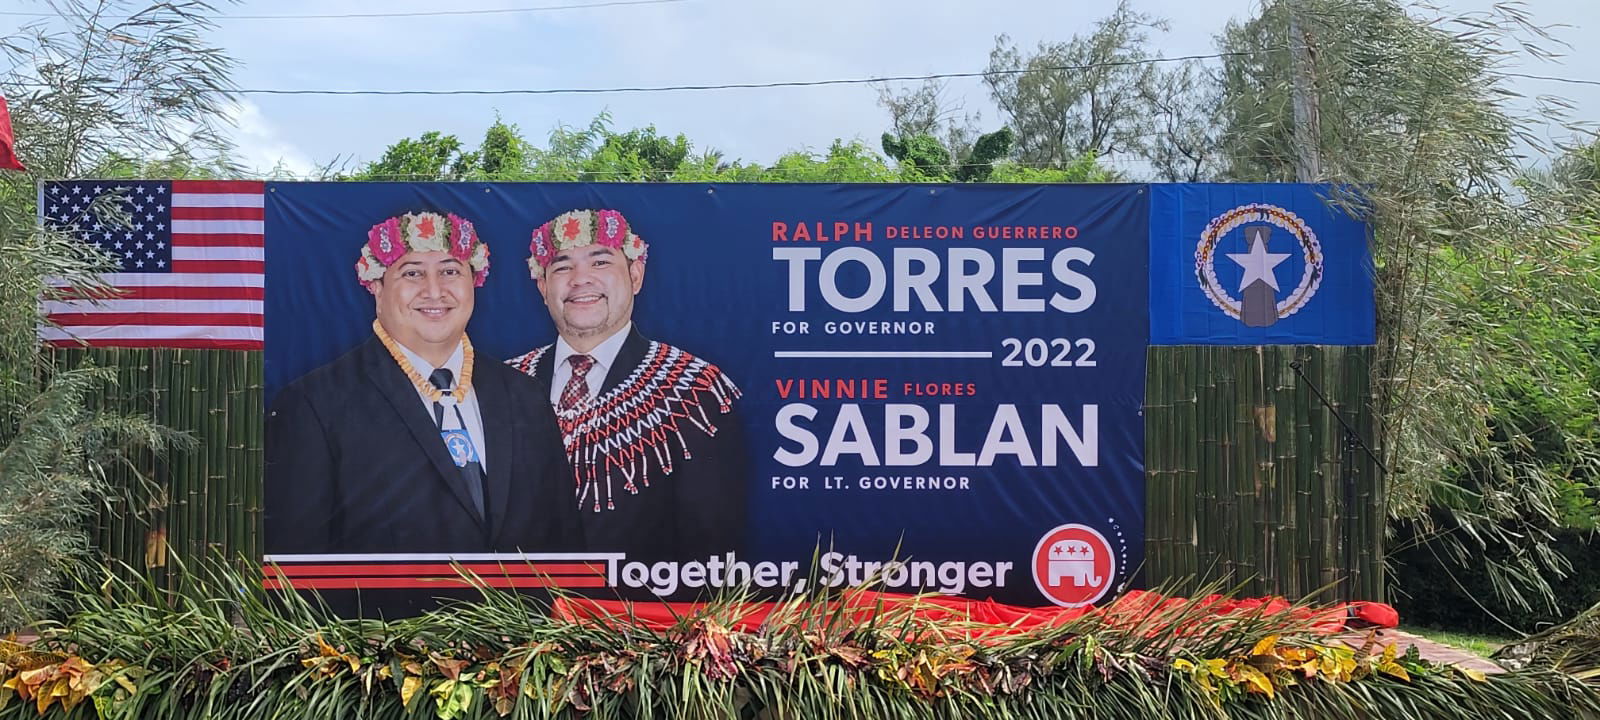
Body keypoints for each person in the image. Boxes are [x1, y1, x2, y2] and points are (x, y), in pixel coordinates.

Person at [265, 210, 578, 563]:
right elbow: (295, 570)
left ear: (473, 281)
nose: (434, 291)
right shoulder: (314, 404)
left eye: (449, 271)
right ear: (377, 288)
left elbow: (565, 544)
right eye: (412, 273)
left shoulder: (526, 396)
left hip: (526, 618)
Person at [508, 208, 748, 565]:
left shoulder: (694, 392)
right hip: (514, 612)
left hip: (642, 615)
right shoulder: (503, 384)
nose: (580, 279)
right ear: (543, 287)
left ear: (635, 275)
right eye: (562, 267)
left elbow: (710, 554)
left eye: (600, 262)